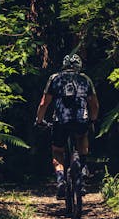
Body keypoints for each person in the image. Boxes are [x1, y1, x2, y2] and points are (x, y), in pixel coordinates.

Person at [35, 53, 99, 199]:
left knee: (57, 151)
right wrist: (93, 119)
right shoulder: (85, 79)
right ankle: (82, 172)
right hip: (81, 120)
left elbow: (44, 103)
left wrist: (39, 120)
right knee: (82, 137)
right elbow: (94, 104)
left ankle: (60, 182)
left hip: (60, 121)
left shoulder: (55, 78)